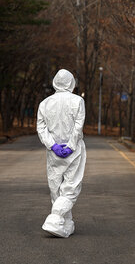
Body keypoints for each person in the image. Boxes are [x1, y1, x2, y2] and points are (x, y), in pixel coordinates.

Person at [36, 69, 87, 238]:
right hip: (74, 152)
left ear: (54, 83)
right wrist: (71, 146)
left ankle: (65, 225)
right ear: (72, 83)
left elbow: (41, 128)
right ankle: (55, 217)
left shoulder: (45, 103)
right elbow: (78, 127)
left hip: (54, 153)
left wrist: (53, 145)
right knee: (71, 187)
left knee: (56, 187)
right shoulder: (78, 101)